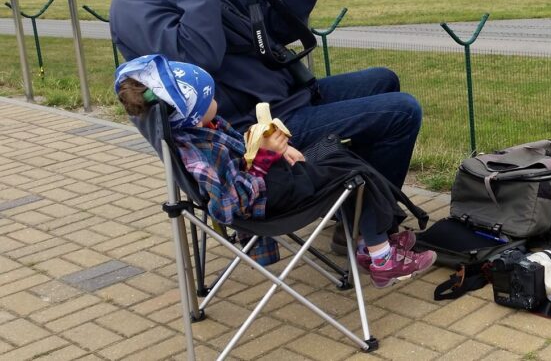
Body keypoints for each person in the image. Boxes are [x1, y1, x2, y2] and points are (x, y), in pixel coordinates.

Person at [109, 0, 420, 190]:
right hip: (253, 131)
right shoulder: (134, 7)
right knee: (403, 111)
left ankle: (351, 200)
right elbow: (197, 61)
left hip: (286, 99)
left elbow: (275, 29)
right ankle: (374, 230)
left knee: (383, 80)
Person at [114, 54, 436, 287]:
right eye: (212, 98)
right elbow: (229, 204)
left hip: (272, 179)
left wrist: (267, 144)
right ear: (194, 115)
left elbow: (240, 155)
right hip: (267, 199)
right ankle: (379, 256)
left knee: (331, 148)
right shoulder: (199, 154)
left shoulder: (201, 128)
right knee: (349, 170)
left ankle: (372, 237)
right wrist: (266, 159)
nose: (218, 102)